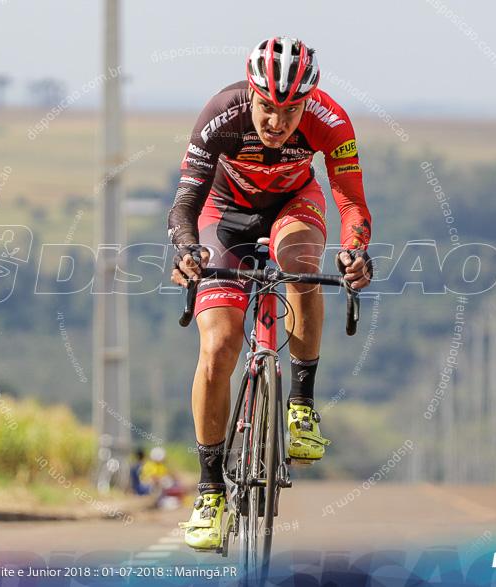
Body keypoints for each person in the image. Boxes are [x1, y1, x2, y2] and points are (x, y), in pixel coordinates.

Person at [168, 37, 372, 551]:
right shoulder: (221, 114)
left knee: (302, 267)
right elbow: (185, 204)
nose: (276, 122)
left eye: (290, 110)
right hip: (224, 213)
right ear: (250, 93)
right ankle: (211, 490)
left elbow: (350, 201)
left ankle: (300, 406)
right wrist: (187, 249)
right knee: (218, 348)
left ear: (309, 102)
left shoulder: (331, 121)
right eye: (266, 107)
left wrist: (354, 251)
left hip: (294, 204)